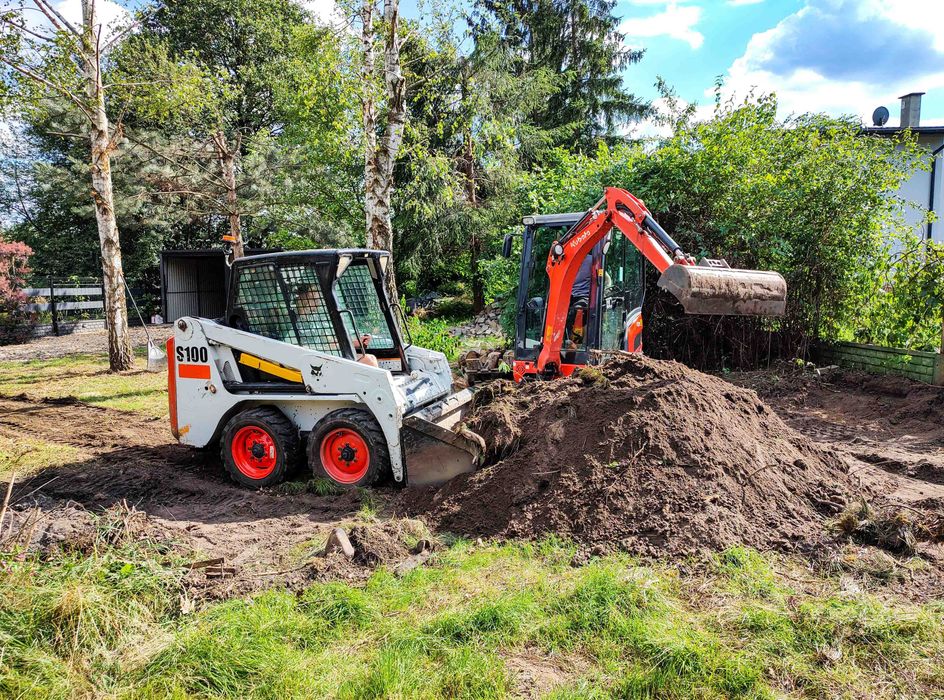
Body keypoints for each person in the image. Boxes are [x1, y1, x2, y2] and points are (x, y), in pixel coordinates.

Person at [295, 283, 378, 367]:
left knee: (370, 359)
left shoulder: (314, 318)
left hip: (325, 356)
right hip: (310, 361)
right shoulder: (293, 322)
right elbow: (301, 348)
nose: (318, 304)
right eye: (314, 300)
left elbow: (329, 341)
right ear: (302, 298)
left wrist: (354, 343)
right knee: (368, 361)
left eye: (318, 300)